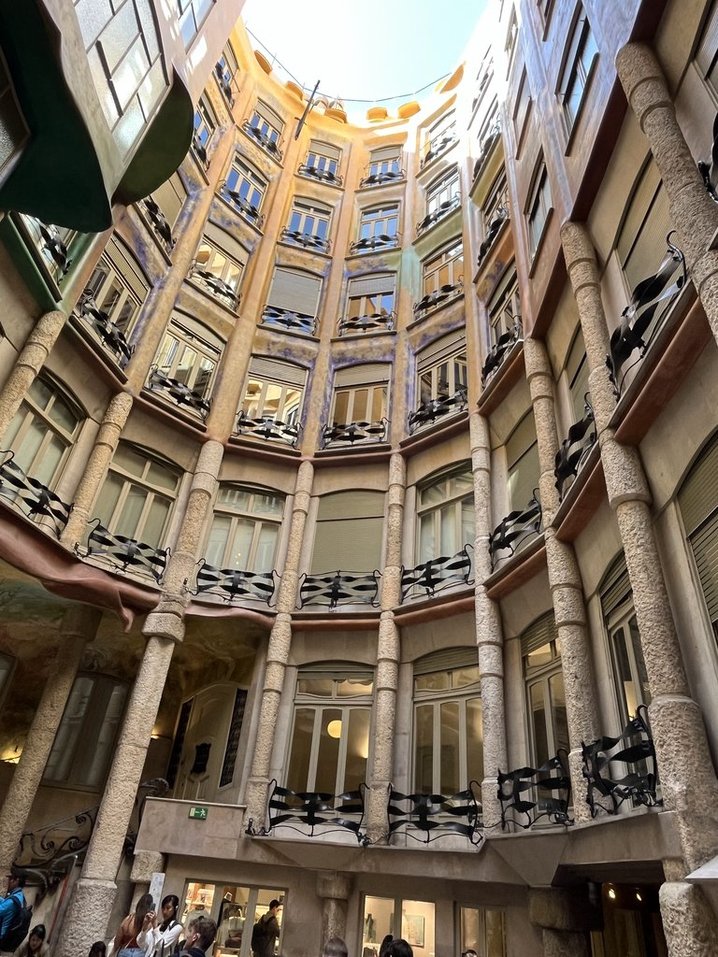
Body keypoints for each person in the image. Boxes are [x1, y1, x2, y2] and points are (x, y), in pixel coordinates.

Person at [0, 876, 26, 948]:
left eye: (12, 880)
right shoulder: (19, 895)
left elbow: (5, 906)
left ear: (17, 880)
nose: (9, 882)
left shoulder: (12, 902)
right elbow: (5, 904)